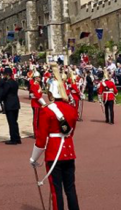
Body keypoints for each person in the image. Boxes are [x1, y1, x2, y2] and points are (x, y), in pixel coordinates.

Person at [30, 63, 80, 210]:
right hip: (69, 152)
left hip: (53, 153)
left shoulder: (46, 111)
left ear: (51, 94)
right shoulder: (72, 110)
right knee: (70, 188)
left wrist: (34, 158)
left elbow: (41, 139)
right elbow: (72, 132)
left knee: (56, 190)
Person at [1, 67, 21, 145]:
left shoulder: (7, 83)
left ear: (7, 75)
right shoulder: (15, 82)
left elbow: (4, 93)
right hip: (15, 103)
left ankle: (13, 139)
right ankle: (17, 137)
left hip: (9, 103)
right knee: (15, 122)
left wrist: (1, 98)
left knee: (11, 122)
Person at [29, 71, 47, 138]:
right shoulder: (34, 85)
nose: (40, 78)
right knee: (36, 119)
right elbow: (37, 96)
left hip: (38, 103)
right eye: (39, 77)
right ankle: (36, 133)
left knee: (39, 119)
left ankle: (39, 132)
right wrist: (43, 103)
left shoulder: (37, 84)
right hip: (36, 104)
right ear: (36, 78)